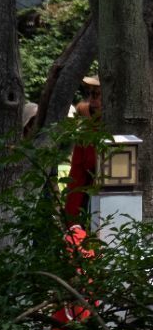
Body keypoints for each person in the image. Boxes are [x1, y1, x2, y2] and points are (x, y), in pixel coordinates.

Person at [63, 76, 102, 222]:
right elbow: (77, 173)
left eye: (97, 94)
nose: (92, 99)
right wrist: (70, 219)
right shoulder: (86, 130)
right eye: (91, 94)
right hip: (90, 199)